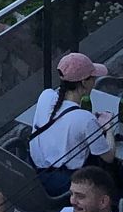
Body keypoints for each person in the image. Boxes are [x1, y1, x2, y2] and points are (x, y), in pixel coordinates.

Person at [26, 52, 117, 198]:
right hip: (63, 185)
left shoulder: (46, 95)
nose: (94, 82)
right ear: (84, 82)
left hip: (34, 174)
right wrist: (108, 128)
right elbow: (109, 157)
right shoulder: (85, 119)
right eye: (93, 78)